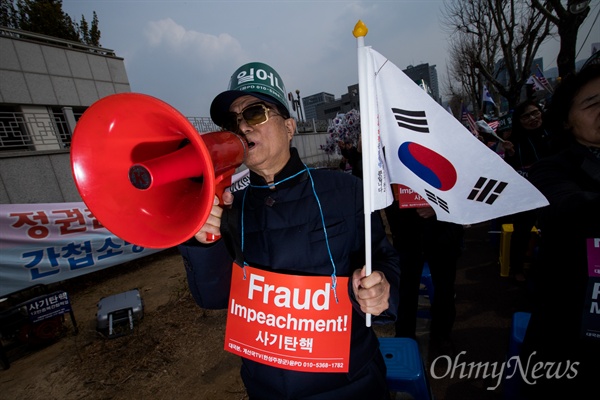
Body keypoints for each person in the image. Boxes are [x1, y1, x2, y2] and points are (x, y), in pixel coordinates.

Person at [177, 62, 400, 400]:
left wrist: (382, 288)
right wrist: (202, 241)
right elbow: (212, 297)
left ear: (290, 126)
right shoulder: (229, 207)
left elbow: (386, 259)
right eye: (232, 122)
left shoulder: (345, 190)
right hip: (267, 386)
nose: (242, 127)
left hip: (351, 383)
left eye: (254, 113)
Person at [519, 63, 600, 398]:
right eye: (593, 104)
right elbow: (573, 213)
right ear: (567, 120)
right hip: (572, 338)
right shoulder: (553, 170)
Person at [383, 193, 464, 359]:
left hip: (444, 226)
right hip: (405, 226)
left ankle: (441, 337)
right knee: (405, 286)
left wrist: (438, 206)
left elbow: (464, 180)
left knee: (444, 285)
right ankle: (404, 339)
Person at [503, 100, 552, 282]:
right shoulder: (514, 141)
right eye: (526, 116)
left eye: (535, 113)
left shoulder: (555, 133)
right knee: (522, 230)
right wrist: (509, 155)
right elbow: (510, 170)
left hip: (555, 190)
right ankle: (517, 267)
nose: (532, 118)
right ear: (519, 121)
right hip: (527, 193)